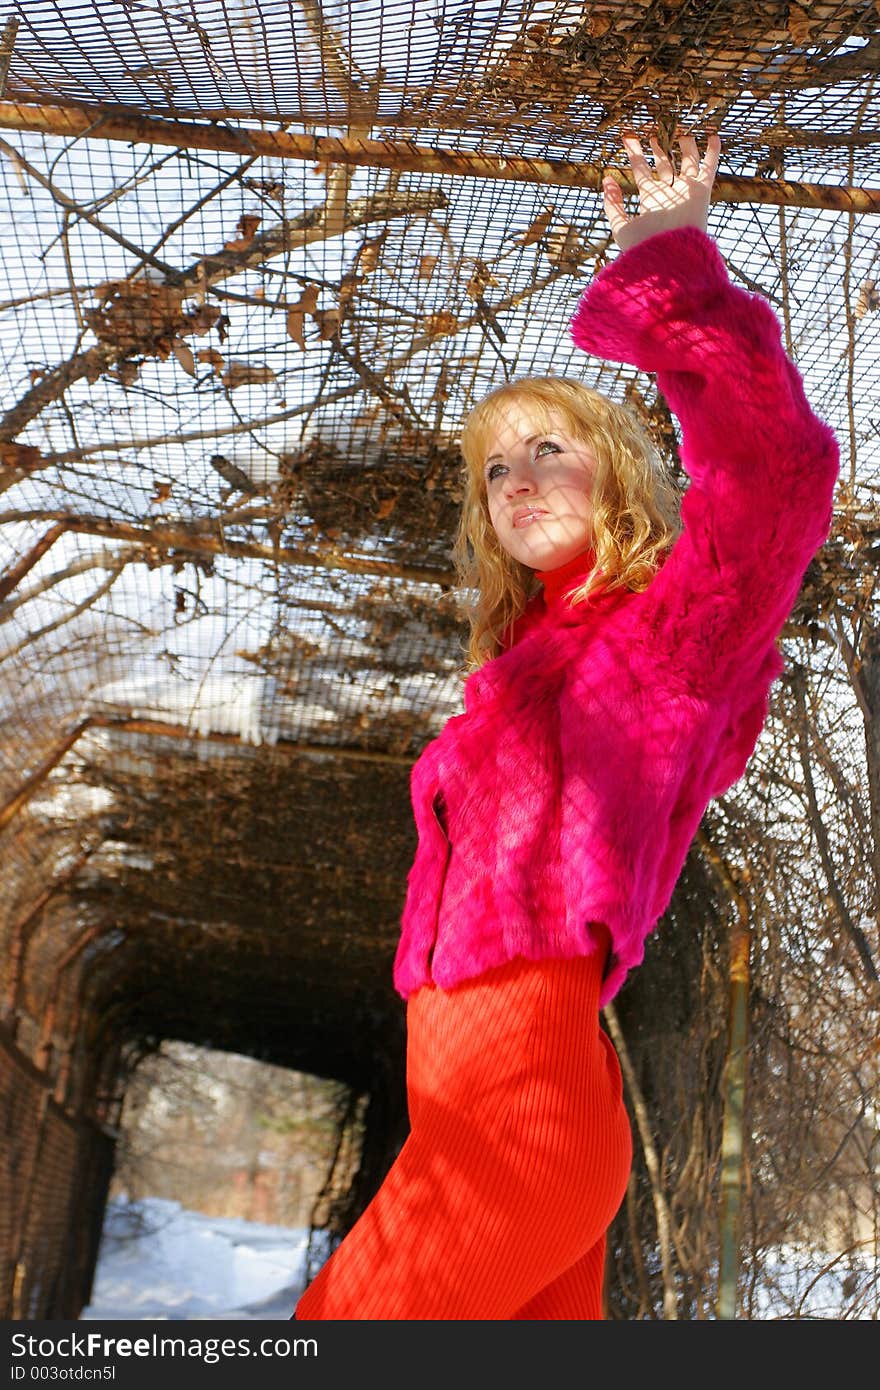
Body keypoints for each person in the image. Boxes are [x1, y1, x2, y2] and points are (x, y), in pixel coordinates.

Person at [293, 131, 840, 1320]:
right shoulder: (521, 669)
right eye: (495, 467)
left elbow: (779, 471)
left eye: (551, 447)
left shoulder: (670, 634)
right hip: (479, 1099)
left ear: (616, 476)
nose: (519, 477)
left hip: (522, 1098)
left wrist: (670, 266)